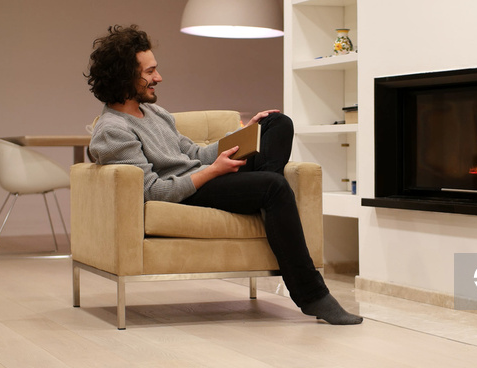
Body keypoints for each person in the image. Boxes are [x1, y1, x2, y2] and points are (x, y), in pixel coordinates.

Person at [85, 24, 362, 325]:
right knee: (274, 186)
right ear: (126, 76)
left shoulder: (153, 112)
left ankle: (262, 200)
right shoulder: (113, 130)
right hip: (188, 192)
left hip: (207, 175)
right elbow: (151, 190)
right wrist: (213, 172)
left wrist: (243, 134)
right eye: (150, 72)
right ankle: (312, 296)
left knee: (277, 123)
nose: (158, 78)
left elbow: (194, 153)